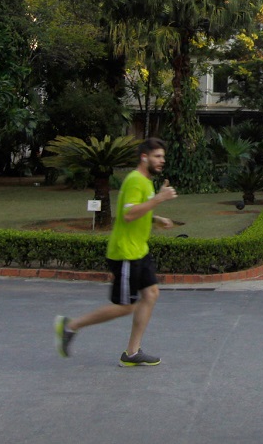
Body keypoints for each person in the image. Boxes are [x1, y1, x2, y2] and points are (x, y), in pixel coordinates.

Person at [54, 137, 177, 366]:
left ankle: (132, 353)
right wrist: (160, 198)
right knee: (125, 307)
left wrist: (156, 218)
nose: (162, 160)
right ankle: (71, 326)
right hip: (126, 252)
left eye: (163, 156)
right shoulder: (135, 180)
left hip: (139, 250)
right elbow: (128, 215)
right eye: (157, 156)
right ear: (144, 157)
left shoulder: (145, 182)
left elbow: (135, 210)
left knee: (151, 294)